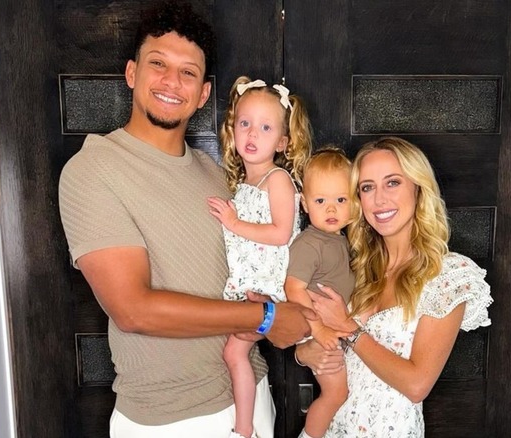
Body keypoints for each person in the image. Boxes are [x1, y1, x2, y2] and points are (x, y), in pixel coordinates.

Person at [57, 2, 313, 437]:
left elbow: (270, 261)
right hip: (169, 418)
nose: (171, 82)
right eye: (158, 64)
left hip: (250, 396)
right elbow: (134, 310)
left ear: (203, 94)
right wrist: (266, 318)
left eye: (188, 72)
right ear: (132, 73)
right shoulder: (94, 169)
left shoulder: (218, 177)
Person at [297, 137, 493, 438]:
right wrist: (305, 353)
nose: (378, 199)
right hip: (330, 428)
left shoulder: (448, 275)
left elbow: (417, 385)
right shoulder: (356, 267)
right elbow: (314, 332)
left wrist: (350, 329)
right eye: (367, 187)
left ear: (418, 188)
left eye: (392, 183)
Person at [206, 76, 312, 438]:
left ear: (282, 142)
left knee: (233, 355)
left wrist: (234, 223)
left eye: (265, 127)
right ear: (233, 129)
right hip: (248, 284)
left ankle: (244, 430)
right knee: (231, 352)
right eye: (245, 124)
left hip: (268, 286)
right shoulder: (244, 185)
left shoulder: (277, 179)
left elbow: (280, 233)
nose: (252, 134)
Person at [284, 146, 355, 438]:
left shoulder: (339, 240)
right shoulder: (309, 244)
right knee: (336, 393)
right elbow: (293, 288)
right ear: (304, 204)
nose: (330, 209)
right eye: (320, 200)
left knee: (342, 394)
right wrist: (318, 329)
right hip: (318, 331)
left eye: (341, 199)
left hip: (334, 329)